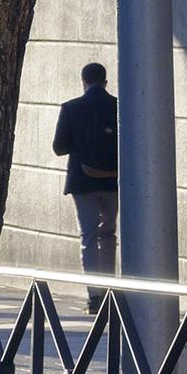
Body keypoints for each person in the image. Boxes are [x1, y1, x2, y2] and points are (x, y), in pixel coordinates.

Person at [51, 62, 118, 311]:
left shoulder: (71, 108)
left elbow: (59, 148)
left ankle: (95, 297)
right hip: (113, 182)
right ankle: (110, 291)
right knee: (108, 234)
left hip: (84, 182)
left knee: (88, 237)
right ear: (106, 82)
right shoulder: (118, 106)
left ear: (84, 81)